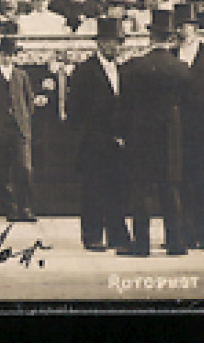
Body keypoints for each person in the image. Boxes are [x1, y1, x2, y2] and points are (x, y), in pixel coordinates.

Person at [118, 8, 190, 257]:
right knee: (171, 189)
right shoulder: (181, 68)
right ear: (171, 38)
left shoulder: (134, 67)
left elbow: (124, 104)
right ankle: (176, 243)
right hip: (171, 133)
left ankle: (141, 245)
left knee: (142, 189)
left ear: (151, 37)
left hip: (142, 132)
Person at [68, 17, 130, 251]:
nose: (115, 47)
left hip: (117, 142)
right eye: (111, 42)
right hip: (94, 141)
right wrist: (92, 134)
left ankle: (117, 236)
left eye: (118, 42)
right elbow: (75, 110)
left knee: (117, 189)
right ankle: (92, 236)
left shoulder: (122, 70)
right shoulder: (85, 71)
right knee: (93, 190)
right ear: (101, 44)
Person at [171, 0, 204, 250]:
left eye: (187, 25)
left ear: (196, 28)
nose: (182, 30)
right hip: (177, 130)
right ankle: (184, 233)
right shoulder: (170, 55)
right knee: (180, 183)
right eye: (179, 26)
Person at [0, 33, 37, 223]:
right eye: (3, 54)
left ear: (15, 56)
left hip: (19, 129)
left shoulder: (21, 76)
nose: (6, 57)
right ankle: (9, 208)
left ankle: (26, 208)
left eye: (10, 54)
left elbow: (29, 101)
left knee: (24, 168)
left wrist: (24, 121)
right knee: (1, 172)